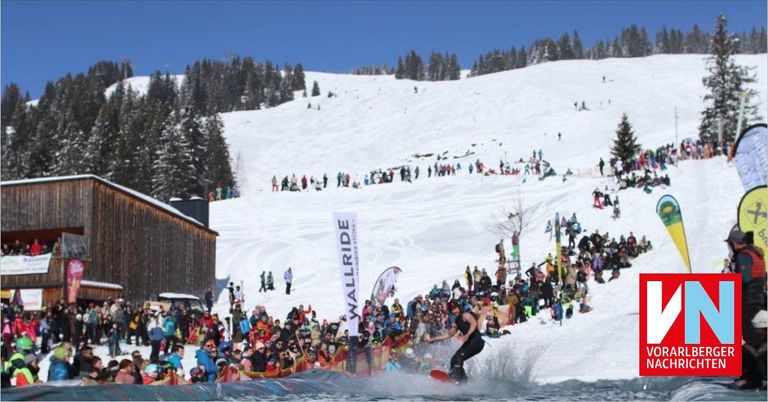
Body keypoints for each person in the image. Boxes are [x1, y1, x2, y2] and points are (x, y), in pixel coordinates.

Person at [425, 301, 484, 384]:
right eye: (452, 309)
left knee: (459, 358)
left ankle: (455, 379)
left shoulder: (465, 315)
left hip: (477, 342)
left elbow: (474, 323)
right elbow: (448, 334)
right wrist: (434, 339)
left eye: (455, 308)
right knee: (454, 359)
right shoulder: (457, 322)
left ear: (459, 308)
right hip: (470, 342)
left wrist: (467, 334)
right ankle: (462, 381)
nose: (454, 311)